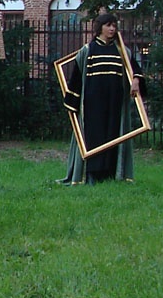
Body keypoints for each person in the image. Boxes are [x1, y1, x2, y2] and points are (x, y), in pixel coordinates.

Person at [60, 13, 144, 185]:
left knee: (112, 135)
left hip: (115, 102)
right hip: (93, 104)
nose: (112, 29)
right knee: (94, 137)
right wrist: (72, 104)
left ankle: (110, 173)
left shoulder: (122, 51)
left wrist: (136, 80)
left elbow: (135, 69)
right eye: (108, 25)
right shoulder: (88, 50)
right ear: (100, 27)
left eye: (114, 25)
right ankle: (91, 174)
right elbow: (76, 79)